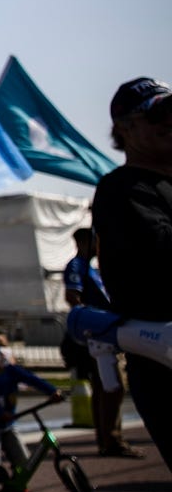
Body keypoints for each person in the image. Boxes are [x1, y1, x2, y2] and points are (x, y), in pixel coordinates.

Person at [92, 76, 172, 468]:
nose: (169, 123)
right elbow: (162, 259)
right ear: (125, 128)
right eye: (158, 115)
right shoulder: (122, 189)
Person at [61, 226, 138, 458]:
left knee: (106, 387)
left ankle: (109, 438)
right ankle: (111, 439)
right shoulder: (77, 267)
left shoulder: (92, 268)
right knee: (112, 386)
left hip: (106, 333)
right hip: (98, 337)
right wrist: (93, 322)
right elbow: (72, 297)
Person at [0, 326, 64, 492]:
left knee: (22, 457)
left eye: (4, 346)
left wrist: (52, 391)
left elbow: (32, 379)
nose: (1, 351)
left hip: (8, 424)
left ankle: (19, 487)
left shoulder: (12, 371)